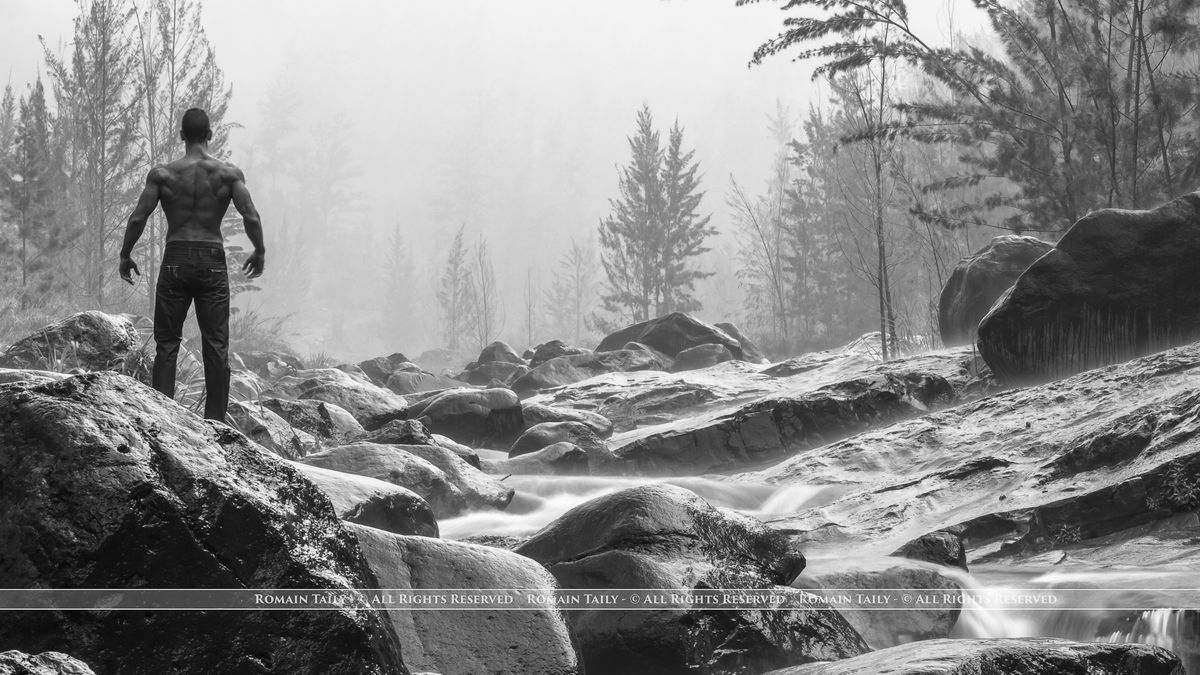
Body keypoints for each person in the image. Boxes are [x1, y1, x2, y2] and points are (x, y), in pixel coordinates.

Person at [118, 108, 264, 421]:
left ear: (182, 135)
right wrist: (259, 250)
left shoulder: (163, 174)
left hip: (176, 260)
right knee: (215, 345)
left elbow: (139, 217)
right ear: (209, 135)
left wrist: (125, 254)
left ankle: (162, 419)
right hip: (211, 260)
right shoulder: (228, 174)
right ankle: (215, 423)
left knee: (167, 343)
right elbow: (250, 215)